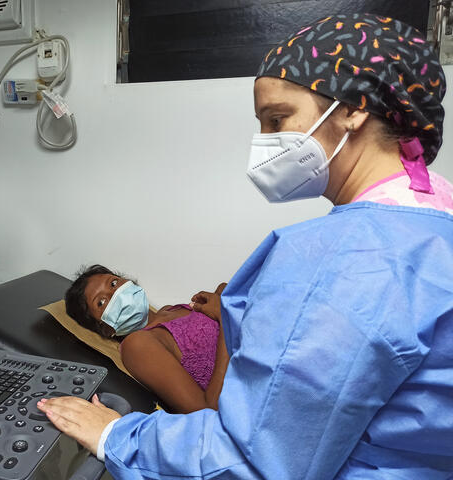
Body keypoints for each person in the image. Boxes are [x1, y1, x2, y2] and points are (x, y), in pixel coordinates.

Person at [37, 13, 453, 479]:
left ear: (354, 109)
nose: (267, 143)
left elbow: (259, 458)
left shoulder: (346, 259)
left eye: (278, 119)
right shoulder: (434, 223)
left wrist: (115, 436)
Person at [64, 264, 229, 413]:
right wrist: (226, 315)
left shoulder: (170, 310)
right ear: (105, 328)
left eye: (113, 283)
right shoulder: (137, 345)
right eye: (101, 302)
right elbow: (206, 410)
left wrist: (225, 297)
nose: (115, 293)